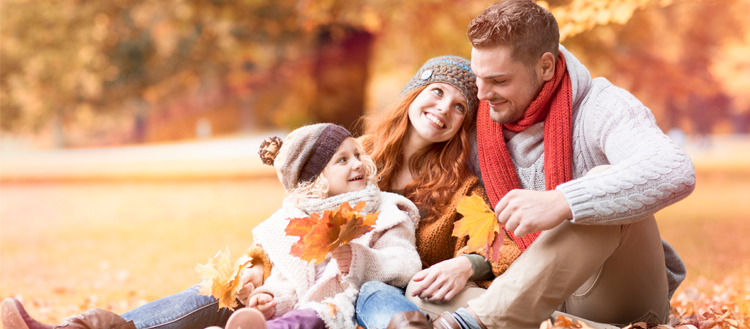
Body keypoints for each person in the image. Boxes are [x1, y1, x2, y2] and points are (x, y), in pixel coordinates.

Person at [415, 1, 696, 328]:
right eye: (478, 77)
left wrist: (563, 201)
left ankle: (482, 322)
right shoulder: (479, 132)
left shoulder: (601, 106)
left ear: (545, 67)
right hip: (529, 298)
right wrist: (469, 265)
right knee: (420, 297)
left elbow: (674, 168)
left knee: (600, 187)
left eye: (499, 81)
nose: (483, 94)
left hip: (612, 294)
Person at [3, 123, 423, 329]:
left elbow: (406, 263)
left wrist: (360, 257)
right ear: (314, 181)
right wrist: (266, 297)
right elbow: (290, 280)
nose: (356, 165)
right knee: (213, 291)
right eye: (341, 160)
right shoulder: (294, 222)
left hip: (341, 311)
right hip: (291, 309)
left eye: (356, 155)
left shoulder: (386, 208)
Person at [354, 56, 523, 329]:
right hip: (335, 285)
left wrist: (467, 265)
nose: (444, 108)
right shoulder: (356, 155)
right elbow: (301, 211)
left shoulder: (461, 187)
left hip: (404, 304)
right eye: (437, 91)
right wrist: (258, 266)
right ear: (414, 92)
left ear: (463, 126)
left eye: (459, 107)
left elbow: (502, 245)